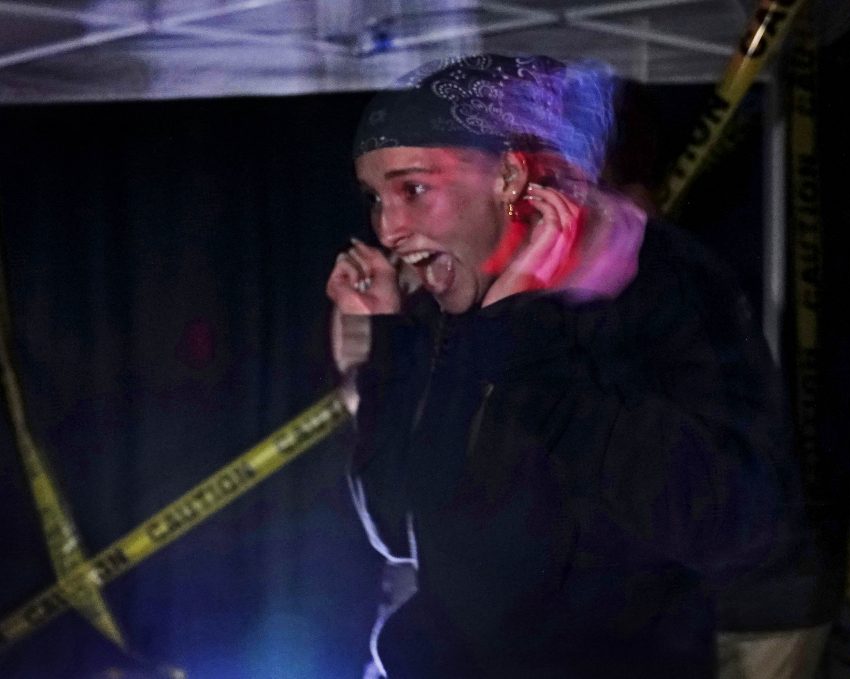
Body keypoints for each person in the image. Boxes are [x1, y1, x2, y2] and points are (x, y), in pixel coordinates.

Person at [326, 54, 822, 678]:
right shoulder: (446, 308)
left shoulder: (654, 281)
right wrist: (386, 350)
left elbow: (731, 522)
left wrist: (528, 355)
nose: (388, 228)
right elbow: (400, 527)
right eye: (376, 198)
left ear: (511, 177)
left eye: (413, 190)